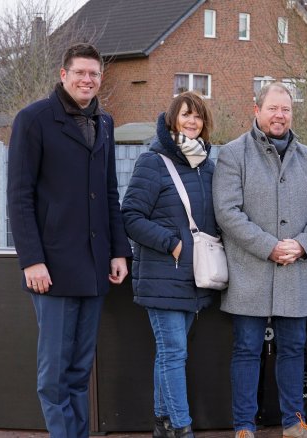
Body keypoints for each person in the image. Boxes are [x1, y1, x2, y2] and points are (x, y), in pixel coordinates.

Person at [7, 43, 131, 437]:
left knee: (80, 370)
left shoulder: (105, 122)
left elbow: (110, 192)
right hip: (52, 269)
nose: (87, 80)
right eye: (80, 72)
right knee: (55, 375)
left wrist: (117, 251)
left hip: (94, 267)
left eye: (94, 74)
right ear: (63, 75)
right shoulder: (34, 119)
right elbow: (19, 196)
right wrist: (31, 260)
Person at [213, 82, 307, 438]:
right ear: (257, 110)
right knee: (247, 349)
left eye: (286, 109)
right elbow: (227, 211)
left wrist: (301, 245)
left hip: (296, 268)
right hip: (250, 269)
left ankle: (293, 422)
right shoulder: (234, 154)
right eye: (273, 109)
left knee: (294, 348)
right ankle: (244, 426)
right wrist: (269, 246)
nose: (280, 116)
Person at [121, 91, 219, 437]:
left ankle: (162, 423)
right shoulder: (153, 161)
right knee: (174, 351)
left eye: (198, 117)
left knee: (170, 353)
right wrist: (172, 244)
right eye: (185, 115)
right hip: (163, 273)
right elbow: (130, 215)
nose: (192, 122)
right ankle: (181, 427)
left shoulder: (207, 164)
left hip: (195, 277)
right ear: (172, 120)